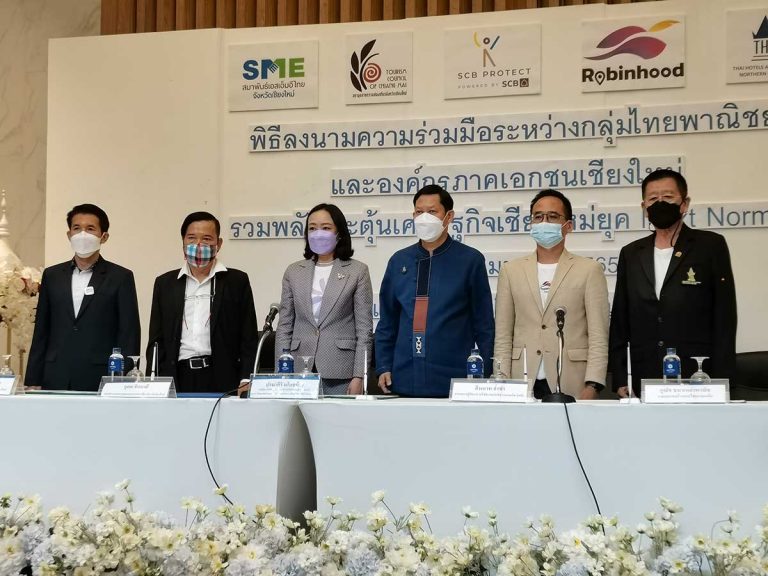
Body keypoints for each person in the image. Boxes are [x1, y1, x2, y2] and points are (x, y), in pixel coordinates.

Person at [609, 169, 737, 397]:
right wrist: (620, 376)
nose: (660, 203)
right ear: (644, 207)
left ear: (684, 204)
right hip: (643, 373)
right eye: (653, 198)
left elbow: (725, 317)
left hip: (698, 374)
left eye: (668, 197)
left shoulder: (710, 246)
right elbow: (620, 319)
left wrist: (723, 379)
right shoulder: (631, 253)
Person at [375, 184, 494, 397]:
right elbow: (387, 322)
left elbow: (483, 323)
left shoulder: (470, 260)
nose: (424, 218)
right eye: (419, 212)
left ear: (449, 217)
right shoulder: (399, 261)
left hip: (455, 379)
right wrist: (383, 365)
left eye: (432, 212)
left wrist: (486, 371)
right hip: (404, 377)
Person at [494, 189, 609, 400]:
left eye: (553, 216)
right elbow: (503, 335)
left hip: (572, 381)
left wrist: (593, 385)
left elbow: (598, 335)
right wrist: (502, 380)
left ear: (568, 226)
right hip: (522, 381)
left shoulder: (589, 270)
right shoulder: (511, 271)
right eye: (538, 217)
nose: (544, 222)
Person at [27, 204, 140, 391]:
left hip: (100, 377)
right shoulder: (52, 275)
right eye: (77, 228)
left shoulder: (120, 277)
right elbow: (41, 330)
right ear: (69, 234)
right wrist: (33, 378)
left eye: (90, 229)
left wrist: (125, 381)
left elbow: (128, 333)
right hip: (55, 374)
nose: (82, 234)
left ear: (104, 237)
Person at [147, 211, 258, 394]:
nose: (198, 245)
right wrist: (155, 380)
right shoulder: (165, 284)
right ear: (183, 242)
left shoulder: (236, 281)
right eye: (191, 238)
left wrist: (246, 377)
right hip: (178, 376)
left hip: (223, 376)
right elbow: (156, 339)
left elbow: (248, 336)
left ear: (218, 244)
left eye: (206, 239)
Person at [275, 204, 373, 395]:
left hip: (341, 371)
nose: (318, 233)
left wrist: (360, 376)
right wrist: (281, 371)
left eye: (326, 228)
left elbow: (364, 330)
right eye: (312, 228)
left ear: (339, 233)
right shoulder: (293, 271)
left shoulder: (357, 271)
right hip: (298, 370)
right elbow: (284, 326)